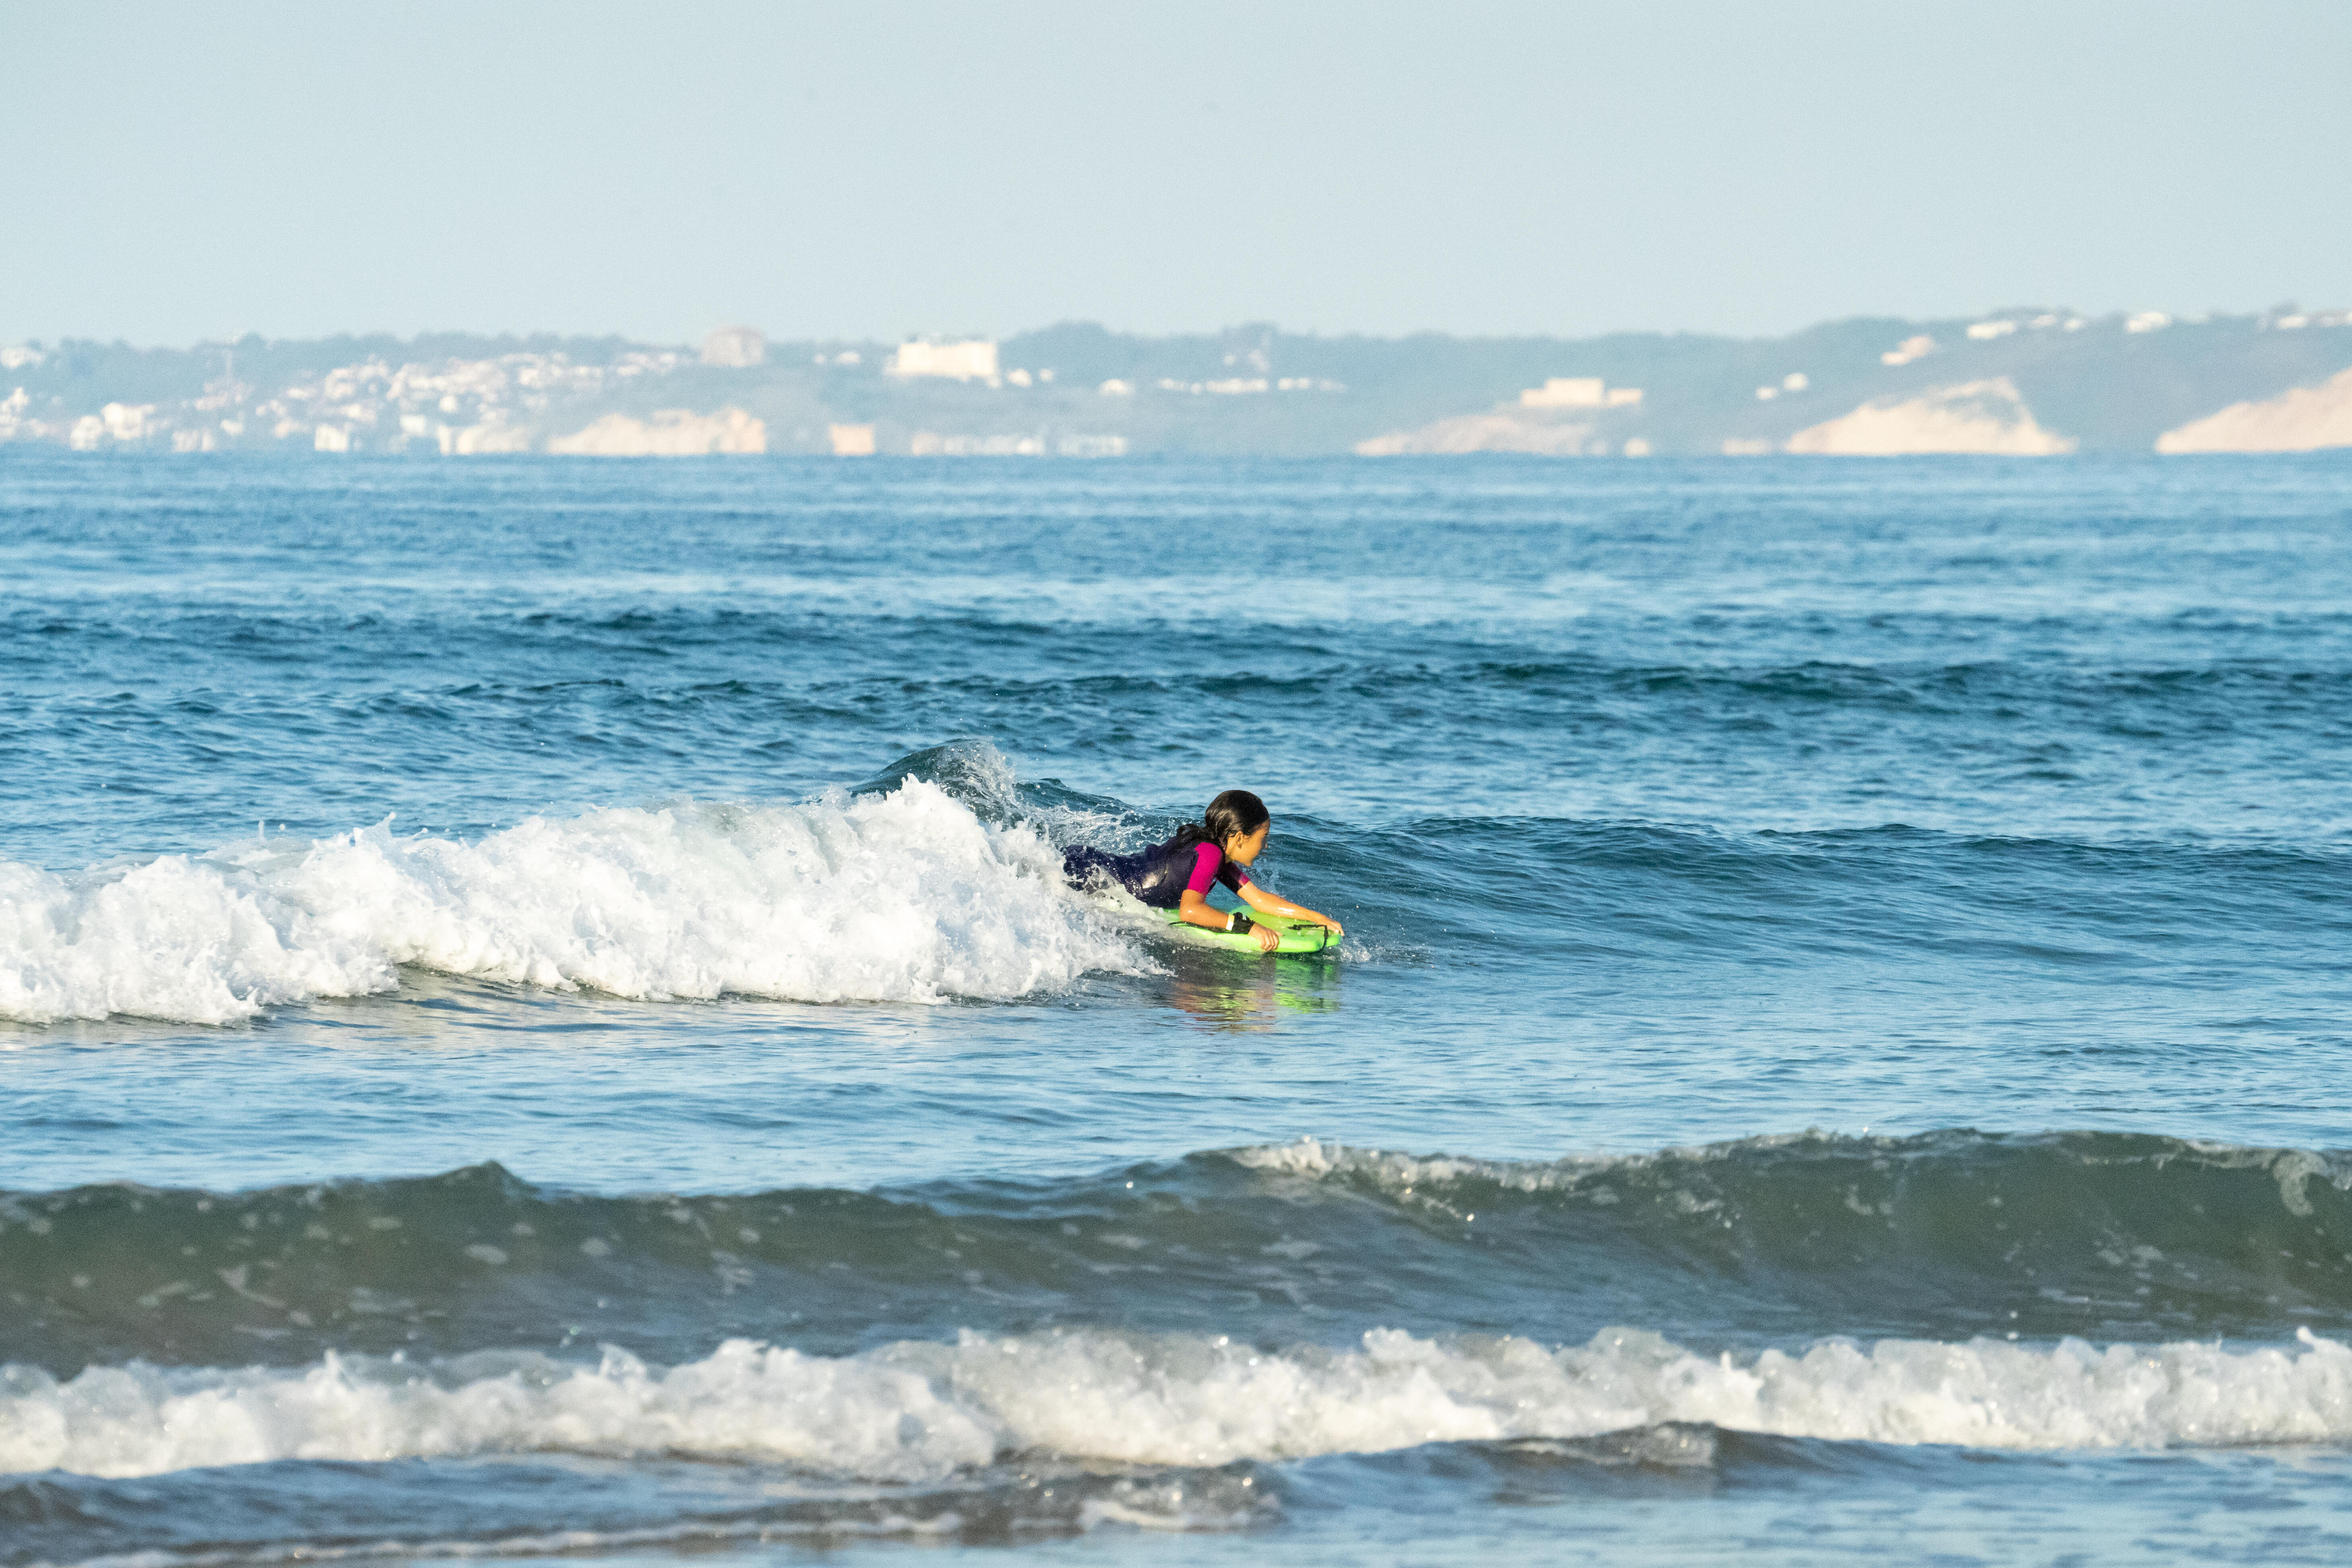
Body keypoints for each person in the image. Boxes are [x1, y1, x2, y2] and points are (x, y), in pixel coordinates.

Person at [1061, 789, 1344, 952]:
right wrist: (1249, 928)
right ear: (1240, 837)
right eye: (1263, 838)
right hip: (1087, 873)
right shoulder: (1210, 853)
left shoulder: (1216, 854)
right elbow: (1191, 911)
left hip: (1092, 869)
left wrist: (1316, 917)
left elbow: (1259, 900)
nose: (1265, 846)